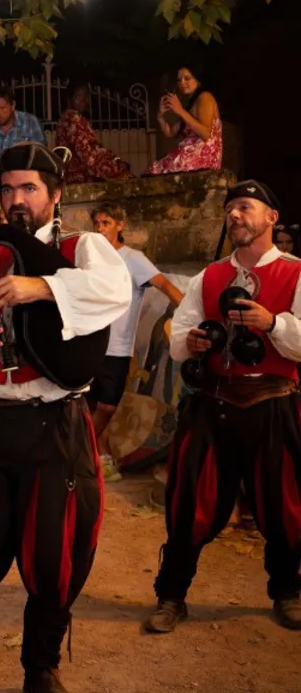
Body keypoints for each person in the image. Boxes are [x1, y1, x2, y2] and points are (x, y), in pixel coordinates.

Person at [0, 142, 131, 693]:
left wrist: (38, 286)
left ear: (55, 195)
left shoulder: (83, 247)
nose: (16, 200)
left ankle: (41, 668)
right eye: (7, 189)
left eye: (29, 188)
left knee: (54, 555)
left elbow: (113, 292)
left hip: (56, 426)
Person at [143, 180, 301, 635]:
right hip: (213, 403)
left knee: (285, 505)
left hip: (274, 402)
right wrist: (191, 342)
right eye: (230, 208)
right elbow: (179, 336)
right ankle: (171, 595)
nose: (234, 214)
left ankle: (287, 592)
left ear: (271, 217)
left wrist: (273, 324)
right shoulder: (209, 276)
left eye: (245, 207)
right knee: (189, 502)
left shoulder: (296, 273)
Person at [87, 205, 184, 456]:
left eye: (106, 223)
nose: (99, 229)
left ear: (120, 226)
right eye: (96, 223)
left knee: (107, 407)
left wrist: (191, 314)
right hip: (87, 342)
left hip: (116, 347)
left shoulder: (132, 258)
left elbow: (164, 285)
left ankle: (81, 452)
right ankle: (97, 456)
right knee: (86, 404)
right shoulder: (89, 257)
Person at [0, 87, 47, 231]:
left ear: (12, 106)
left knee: (4, 193)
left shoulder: (30, 122)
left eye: (3, 108)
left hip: (20, 171)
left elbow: (41, 153)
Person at [147, 65, 222, 175]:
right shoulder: (190, 105)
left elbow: (206, 133)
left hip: (203, 158)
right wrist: (160, 115)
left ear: (198, 81)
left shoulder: (205, 97)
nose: (182, 83)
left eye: (187, 78)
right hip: (188, 156)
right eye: (179, 80)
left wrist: (180, 110)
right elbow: (170, 132)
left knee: (154, 172)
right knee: (152, 170)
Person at [54, 82, 131, 184]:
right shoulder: (75, 121)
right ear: (76, 97)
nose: (87, 102)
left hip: (69, 176)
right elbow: (88, 157)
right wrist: (115, 167)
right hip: (82, 178)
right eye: (85, 97)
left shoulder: (63, 120)